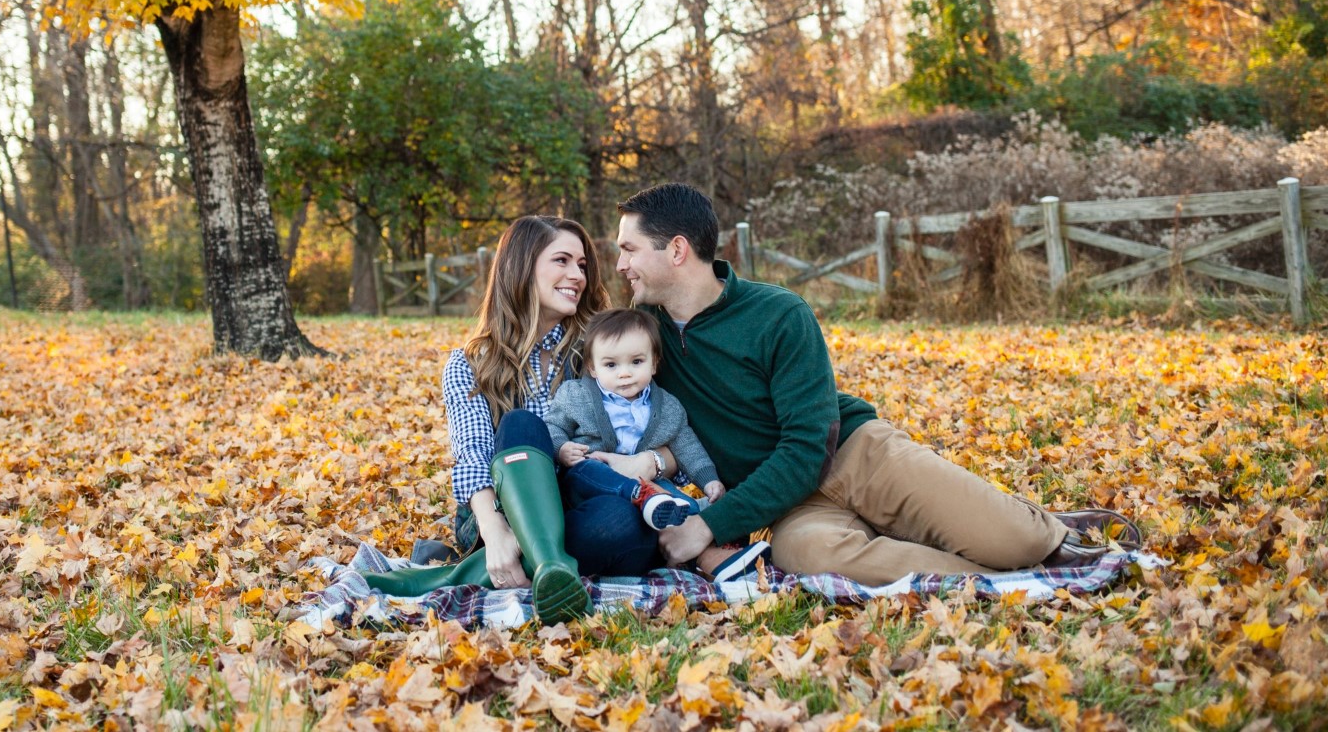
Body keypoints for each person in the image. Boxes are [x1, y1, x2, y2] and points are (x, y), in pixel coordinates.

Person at [614, 182, 1142, 586]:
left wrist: (711, 525)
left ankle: (1036, 532)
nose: (621, 265)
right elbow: (573, 333)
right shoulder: (642, 340)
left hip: (855, 455)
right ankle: (1001, 578)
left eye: (630, 249)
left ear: (677, 249)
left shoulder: (778, 314)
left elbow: (806, 445)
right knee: (810, 558)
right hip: (789, 507)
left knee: (1016, 540)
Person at [361, 215, 671, 621]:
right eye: (561, 261)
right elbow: (472, 454)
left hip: (584, 499)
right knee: (521, 425)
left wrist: (653, 462)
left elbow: (661, 420)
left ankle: (480, 574)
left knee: (621, 521)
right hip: (503, 513)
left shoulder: (601, 351)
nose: (576, 275)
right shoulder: (472, 362)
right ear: (521, 267)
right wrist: (494, 531)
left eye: (581, 265)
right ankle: (544, 562)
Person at [546, 307, 771, 581]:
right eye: (611, 365)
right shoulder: (576, 396)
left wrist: (709, 479)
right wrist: (561, 448)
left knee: (679, 503)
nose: (625, 374)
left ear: (654, 363)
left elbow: (687, 446)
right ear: (593, 368)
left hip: (648, 485)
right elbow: (553, 426)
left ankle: (709, 551)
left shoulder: (667, 407)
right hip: (591, 481)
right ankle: (651, 503)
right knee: (588, 469)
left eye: (636, 362)